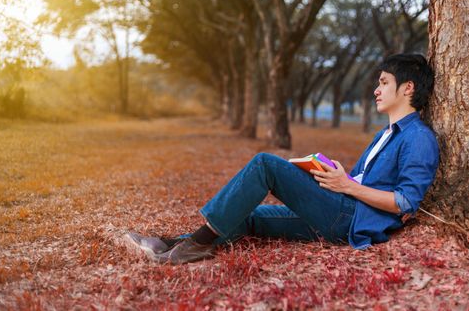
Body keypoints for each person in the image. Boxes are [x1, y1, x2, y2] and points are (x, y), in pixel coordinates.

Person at [124, 53, 439, 265]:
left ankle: (193, 249)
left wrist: (348, 186)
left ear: (407, 88)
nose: (376, 90)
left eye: (384, 82)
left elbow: (405, 202)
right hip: (340, 208)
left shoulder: (418, 138)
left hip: (351, 220)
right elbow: (362, 181)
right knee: (251, 215)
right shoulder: (388, 132)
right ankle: (173, 243)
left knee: (265, 165)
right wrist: (332, 176)